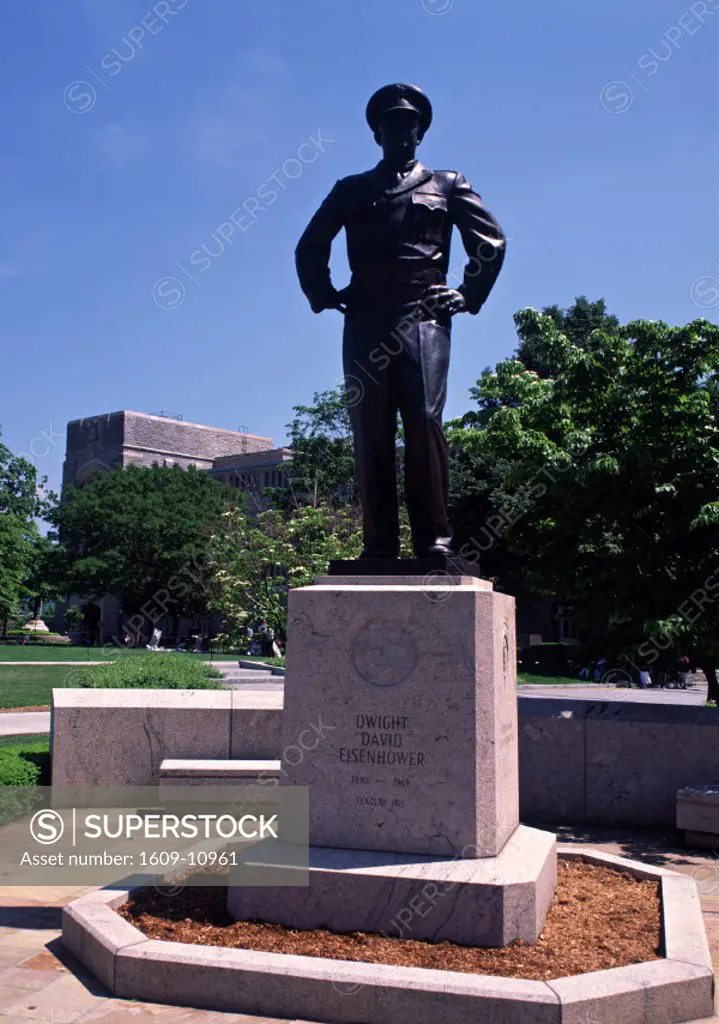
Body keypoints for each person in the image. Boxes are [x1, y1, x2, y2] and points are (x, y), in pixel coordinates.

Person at [295, 83, 506, 559]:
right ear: (377, 134)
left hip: (424, 316)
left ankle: (435, 540)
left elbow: (490, 243)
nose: (401, 134)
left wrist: (467, 294)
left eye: (409, 127)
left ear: (420, 133)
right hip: (367, 317)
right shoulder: (351, 190)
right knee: (369, 428)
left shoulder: (448, 184)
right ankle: (379, 546)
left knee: (424, 421)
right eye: (391, 127)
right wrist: (323, 294)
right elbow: (310, 245)